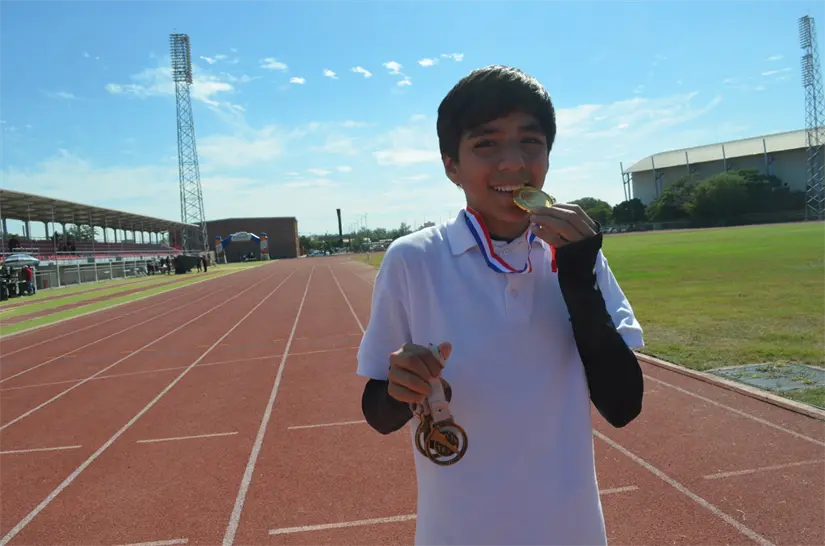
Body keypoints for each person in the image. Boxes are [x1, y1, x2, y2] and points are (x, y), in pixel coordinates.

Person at [356, 65, 645, 546]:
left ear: (548, 155)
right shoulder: (412, 259)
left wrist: (576, 277)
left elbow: (623, 406)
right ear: (451, 165)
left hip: (571, 530)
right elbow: (379, 414)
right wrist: (400, 389)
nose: (513, 163)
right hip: (457, 531)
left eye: (530, 142)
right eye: (486, 144)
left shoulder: (577, 254)